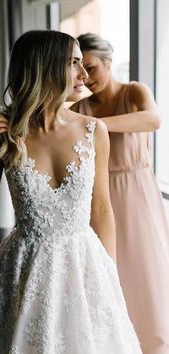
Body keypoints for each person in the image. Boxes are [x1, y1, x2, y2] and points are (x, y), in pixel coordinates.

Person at [0, 30, 142, 354]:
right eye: (75, 63)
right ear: (47, 67)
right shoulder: (5, 134)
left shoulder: (95, 131)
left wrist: (110, 280)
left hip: (84, 267)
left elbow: (102, 211)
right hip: (25, 271)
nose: (84, 75)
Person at [71, 32, 169, 354]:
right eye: (79, 68)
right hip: (96, 197)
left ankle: (155, 345)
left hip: (137, 193)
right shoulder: (80, 106)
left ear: (108, 62)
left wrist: (96, 125)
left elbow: (153, 119)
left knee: (145, 273)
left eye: (92, 67)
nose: (86, 76)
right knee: (108, 275)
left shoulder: (134, 91)